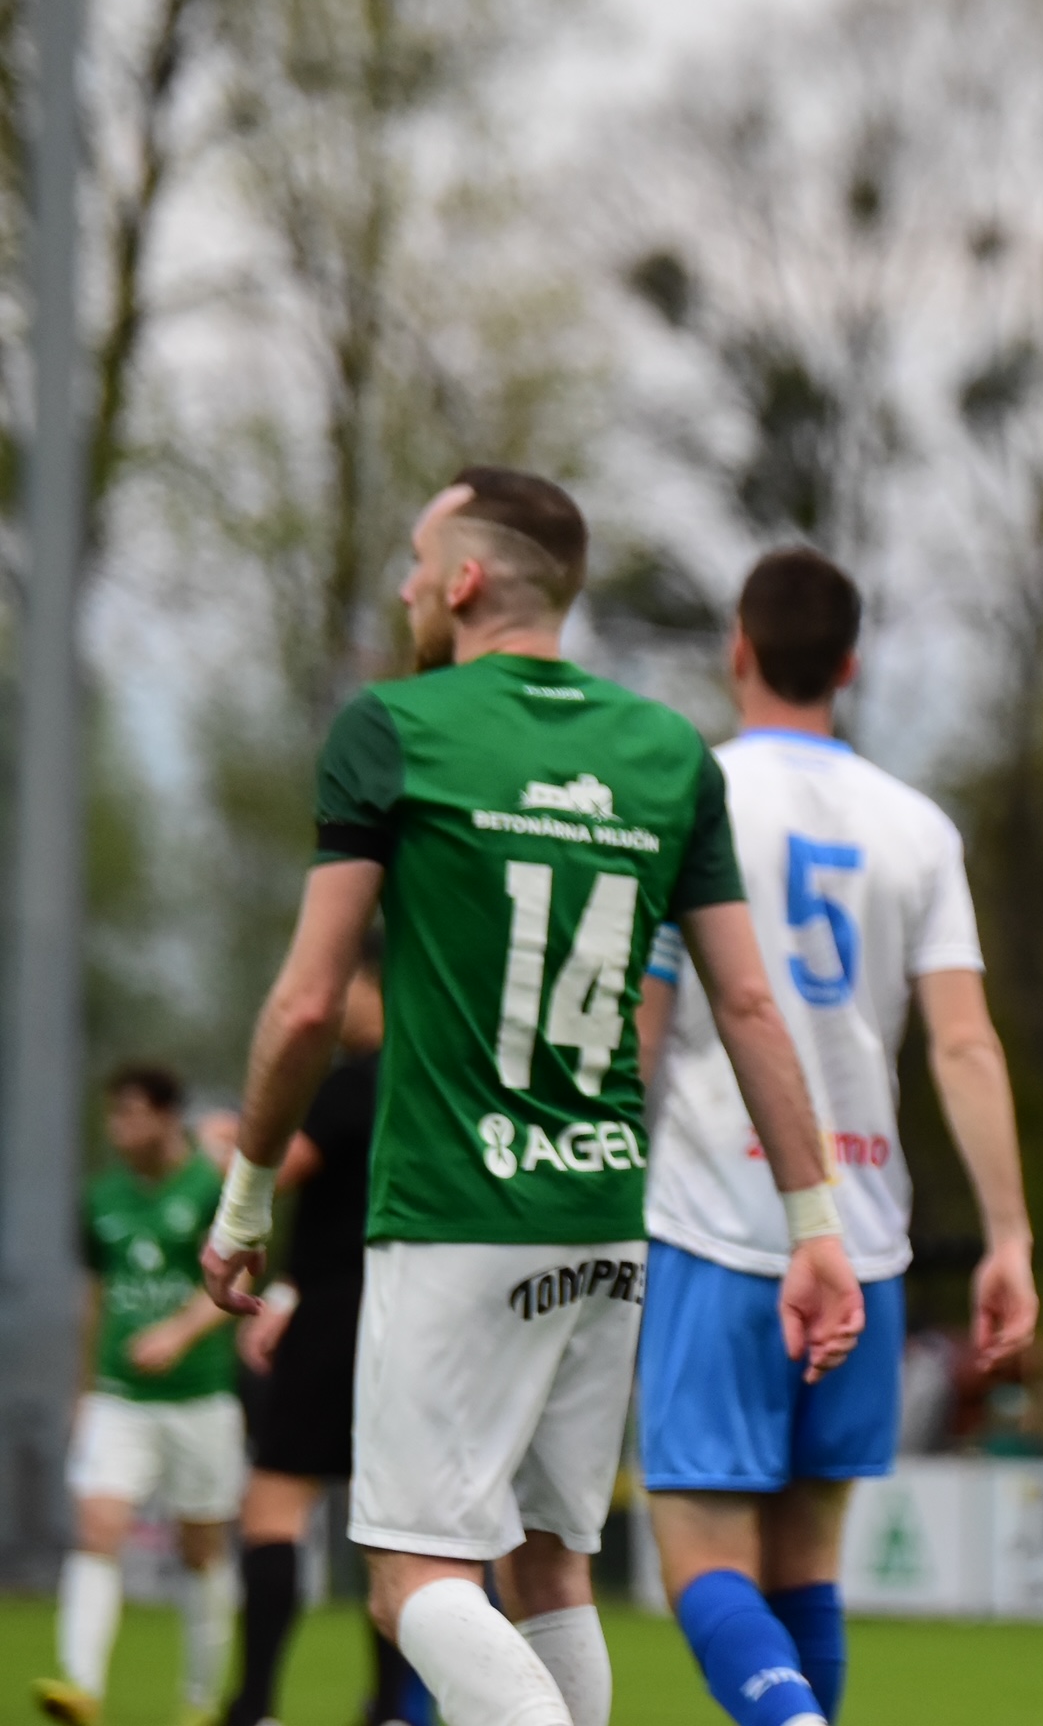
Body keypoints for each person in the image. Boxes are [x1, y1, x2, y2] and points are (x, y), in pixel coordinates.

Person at [198, 468, 865, 1726]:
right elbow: (750, 1007)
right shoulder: (667, 750)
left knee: (409, 1579)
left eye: (415, 558)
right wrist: (815, 1225)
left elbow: (302, 1004)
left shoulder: (394, 725)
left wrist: (242, 1200)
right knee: (554, 1560)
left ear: (462, 581)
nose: (404, 583)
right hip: (607, 1217)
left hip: (454, 1208)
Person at [633, 547, 1040, 1726]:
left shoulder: (691, 792)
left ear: (738, 649)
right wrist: (1008, 1232)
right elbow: (965, 1044)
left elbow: (648, 1028)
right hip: (865, 1235)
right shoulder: (916, 827)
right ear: (852, 665)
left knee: (701, 1554)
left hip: (718, 1221)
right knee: (807, 1558)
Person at [220, 952, 414, 1726]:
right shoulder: (438, 1085)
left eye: (348, 991)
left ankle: (256, 1707)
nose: (335, 1009)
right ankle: (396, 1711)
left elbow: (282, 1166)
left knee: (274, 1508)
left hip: (338, 1315)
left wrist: (234, 1150)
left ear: (379, 987)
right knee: (398, 1529)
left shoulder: (353, 1083)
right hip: (416, 1319)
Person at [37, 1067, 245, 1726]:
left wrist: (179, 1332)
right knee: (98, 1528)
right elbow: (94, 1296)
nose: (119, 1129)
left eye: (131, 1114)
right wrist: (83, 1389)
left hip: (200, 1396)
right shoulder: (100, 1197)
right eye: (113, 1115)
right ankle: (81, 1689)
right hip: (118, 1397)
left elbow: (240, 1283)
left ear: (167, 1116)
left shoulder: (212, 1187)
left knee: (201, 1547)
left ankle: (198, 1699)